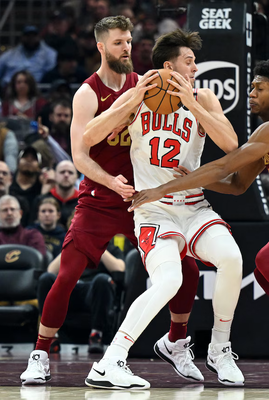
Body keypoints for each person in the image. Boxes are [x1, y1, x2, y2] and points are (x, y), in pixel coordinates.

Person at [130, 59, 269, 387]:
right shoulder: (267, 134)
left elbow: (224, 166)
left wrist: (165, 187)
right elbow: (238, 184)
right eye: (250, 87)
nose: (250, 93)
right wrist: (192, 180)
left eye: (259, 88)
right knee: (266, 273)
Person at [19, 16, 197, 390]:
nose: (127, 48)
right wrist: (109, 180)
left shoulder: (145, 84)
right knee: (65, 275)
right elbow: (79, 156)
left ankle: (176, 342)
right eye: (118, 42)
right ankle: (40, 355)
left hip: (140, 201)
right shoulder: (87, 93)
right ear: (101, 46)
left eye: (129, 41)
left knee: (187, 268)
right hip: (99, 198)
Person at [83, 29, 244, 388]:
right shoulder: (139, 95)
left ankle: (219, 349)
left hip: (195, 207)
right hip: (154, 210)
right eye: (190, 61)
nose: (196, 68)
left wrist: (193, 104)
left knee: (232, 258)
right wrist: (130, 99)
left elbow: (231, 145)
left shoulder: (203, 97)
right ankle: (110, 361)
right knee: (170, 279)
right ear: (169, 66)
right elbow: (89, 137)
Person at [37, 238, 125, 354]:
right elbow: (51, 270)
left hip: (93, 291)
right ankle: (51, 337)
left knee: (102, 279)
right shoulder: (71, 245)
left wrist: (98, 246)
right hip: (71, 289)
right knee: (46, 279)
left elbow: (120, 268)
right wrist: (72, 245)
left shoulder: (111, 248)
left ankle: (96, 335)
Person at [29, 160, 79, 229]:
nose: (66, 175)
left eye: (70, 172)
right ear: (55, 175)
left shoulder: (82, 202)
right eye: (62, 172)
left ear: (76, 177)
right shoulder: (41, 200)